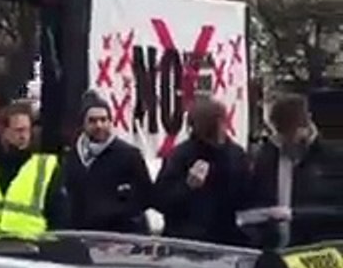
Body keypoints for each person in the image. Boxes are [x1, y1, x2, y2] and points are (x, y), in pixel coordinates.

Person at [247, 94, 343, 247]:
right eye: (278, 136)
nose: (281, 142)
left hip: (318, 250)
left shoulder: (333, 159)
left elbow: (337, 211)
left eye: (288, 136)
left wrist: (296, 214)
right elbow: (255, 199)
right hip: (276, 250)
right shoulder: (267, 157)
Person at [155, 97, 251, 246]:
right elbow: (160, 200)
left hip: (227, 240)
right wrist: (187, 186)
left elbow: (246, 199)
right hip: (186, 240)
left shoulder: (236, 155)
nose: (222, 129)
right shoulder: (181, 155)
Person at [0, 102, 66, 239]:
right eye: (19, 130)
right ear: (3, 131)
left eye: (27, 130)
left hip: (30, 249)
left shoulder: (45, 166)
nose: (24, 136)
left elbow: (58, 215)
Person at [62, 93, 152, 233]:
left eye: (103, 120)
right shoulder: (72, 157)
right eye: (92, 121)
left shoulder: (129, 155)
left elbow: (147, 196)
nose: (99, 125)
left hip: (120, 239)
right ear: (83, 124)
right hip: (83, 237)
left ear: (110, 121)